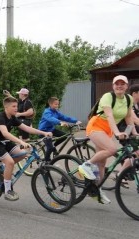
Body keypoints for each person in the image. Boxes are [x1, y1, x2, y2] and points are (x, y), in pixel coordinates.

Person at [78, 75, 136, 204]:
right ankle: (86, 165)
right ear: (113, 86)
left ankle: (96, 190)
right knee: (111, 149)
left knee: (102, 163)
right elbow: (109, 116)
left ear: (127, 86)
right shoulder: (107, 97)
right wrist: (117, 132)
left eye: (122, 84)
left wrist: (134, 133)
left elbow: (128, 118)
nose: (119, 86)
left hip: (107, 130)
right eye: (117, 84)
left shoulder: (128, 99)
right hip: (96, 126)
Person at [0, 96, 52, 201]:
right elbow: (5, 133)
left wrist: (44, 133)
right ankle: (7, 191)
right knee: (10, 162)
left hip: (3, 142)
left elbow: (26, 128)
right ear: (6, 107)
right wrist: (20, 141)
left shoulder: (13, 118)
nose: (16, 108)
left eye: (17, 106)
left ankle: (5, 169)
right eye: (14, 106)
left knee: (22, 154)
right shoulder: (0, 118)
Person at [38, 97, 81, 161]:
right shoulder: (47, 112)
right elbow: (51, 119)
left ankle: (54, 146)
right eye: (55, 104)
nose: (57, 106)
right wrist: (60, 122)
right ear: (50, 104)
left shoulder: (56, 112)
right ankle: (46, 162)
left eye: (58, 104)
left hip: (51, 130)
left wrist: (75, 121)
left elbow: (65, 117)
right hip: (43, 131)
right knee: (49, 148)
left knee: (64, 136)